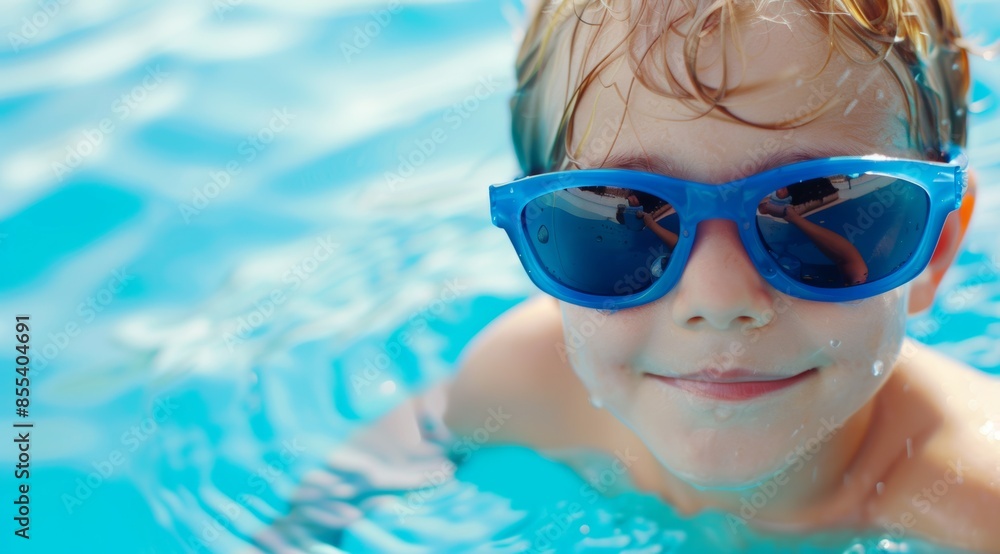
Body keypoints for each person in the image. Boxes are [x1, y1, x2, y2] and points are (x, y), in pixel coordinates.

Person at [439, 0, 1000, 551]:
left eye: (819, 207)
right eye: (623, 215)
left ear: (938, 247)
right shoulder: (514, 388)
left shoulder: (980, 508)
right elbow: (376, 476)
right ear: (542, 239)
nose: (720, 298)